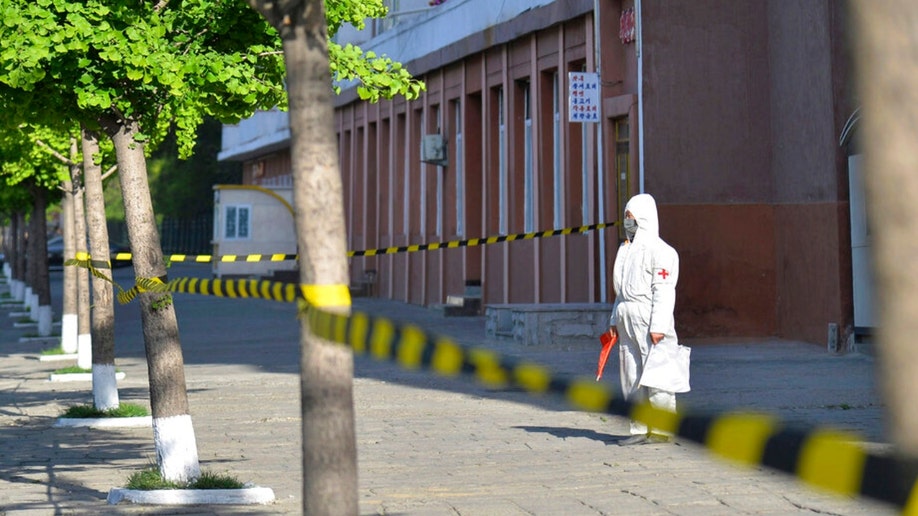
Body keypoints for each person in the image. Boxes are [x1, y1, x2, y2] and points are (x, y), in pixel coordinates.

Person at [607, 193, 688, 445]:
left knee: (658, 374)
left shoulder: (662, 252)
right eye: (625, 217)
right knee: (630, 374)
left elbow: (663, 291)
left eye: (630, 217)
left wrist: (659, 326)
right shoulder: (625, 250)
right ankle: (639, 427)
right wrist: (614, 320)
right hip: (627, 317)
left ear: (643, 218)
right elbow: (621, 291)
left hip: (649, 317)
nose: (627, 222)